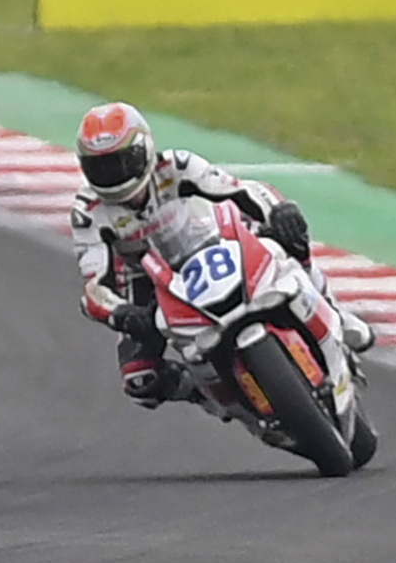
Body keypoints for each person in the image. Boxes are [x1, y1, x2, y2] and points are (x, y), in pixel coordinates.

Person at [73, 104, 370, 408]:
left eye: (123, 162)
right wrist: (122, 313)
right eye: (102, 168)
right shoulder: (88, 213)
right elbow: (94, 287)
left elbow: (242, 191)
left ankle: (332, 311)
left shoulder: (177, 165)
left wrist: (279, 211)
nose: (114, 174)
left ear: (145, 148)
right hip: (147, 280)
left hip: (211, 243)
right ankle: (213, 397)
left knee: (287, 238)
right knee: (140, 380)